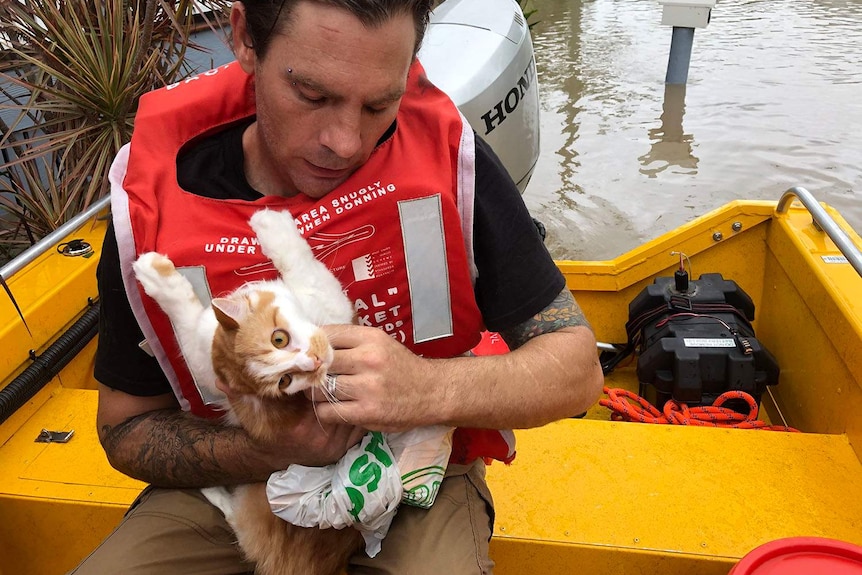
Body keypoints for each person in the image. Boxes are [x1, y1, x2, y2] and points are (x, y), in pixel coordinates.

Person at [71, 0, 604, 573]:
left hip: (416, 469)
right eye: (312, 95)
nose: (346, 142)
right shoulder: (155, 206)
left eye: (380, 103)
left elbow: (576, 369)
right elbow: (124, 428)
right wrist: (261, 449)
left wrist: (424, 389)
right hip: (231, 486)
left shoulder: (446, 159)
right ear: (246, 37)